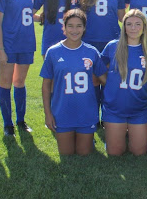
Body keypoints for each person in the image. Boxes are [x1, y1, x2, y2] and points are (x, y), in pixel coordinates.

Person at [40, 9, 108, 155]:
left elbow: (105, 80)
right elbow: (46, 86)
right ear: (63, 28)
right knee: (67, 155)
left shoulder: (92, 52)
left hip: (87, 112)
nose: (74, 30)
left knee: (84, 154)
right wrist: (48, 114)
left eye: (79, 26)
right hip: (62, 112)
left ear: (84, 28)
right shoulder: (53, 52)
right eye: (70, 26)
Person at [100, 9, 147, 156]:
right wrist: (109, 84)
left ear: (144, 27)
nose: (133, 28)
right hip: (114, 108)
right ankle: (116, 134)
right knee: (115, 153)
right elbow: (98, 71)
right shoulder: (112, 47)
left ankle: (129, 133)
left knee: (139, 152)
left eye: (138, 24)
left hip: (139, 109)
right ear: (123, 27)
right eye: (129, 24)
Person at [0, 0, 36, 136]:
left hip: (26, 42)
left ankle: (21, 120)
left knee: (20, 82)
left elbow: (26, 14)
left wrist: (41, 17)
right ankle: (8, 124)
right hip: (9, 44)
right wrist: (1, 48)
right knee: (5, 83)